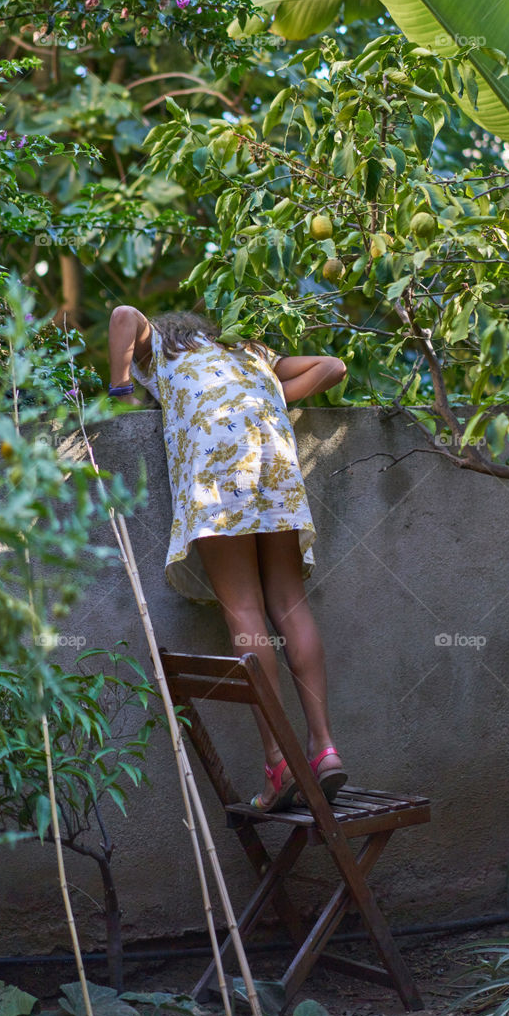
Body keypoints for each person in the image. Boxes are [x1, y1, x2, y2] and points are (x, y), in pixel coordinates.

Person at [107, 304, 348, 812]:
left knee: (243, 607)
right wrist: (270, 398)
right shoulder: (250, 352)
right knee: (289, 601)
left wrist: (121, 389)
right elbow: (333, 367)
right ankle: (324, 749)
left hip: (217, 459)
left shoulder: (167, 350)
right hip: (274, 454)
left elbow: (125, 313)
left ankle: (278, 763)